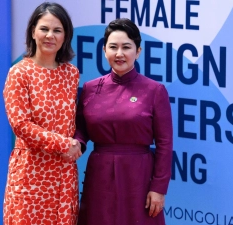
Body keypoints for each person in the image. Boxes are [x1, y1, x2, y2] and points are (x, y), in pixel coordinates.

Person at [74, 18, 173, 225]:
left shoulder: (155, 90)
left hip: (139, 176)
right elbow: (81, 129)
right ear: (104, 51)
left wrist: (159, 188)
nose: (119, 54)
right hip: (99, 174)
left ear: (138, 51)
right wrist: (77, 143)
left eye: (126, 47)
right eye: (113, 47)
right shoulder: (91, 88)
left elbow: (165, 144)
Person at [2, 2, 82, 225]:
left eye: (57, 30)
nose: (50, 36)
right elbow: (20, 125)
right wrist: (63, 144)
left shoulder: (71, 74)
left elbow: (74, 121)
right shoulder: (19, 73)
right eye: (44, 29)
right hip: (30, 173)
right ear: (32, 32)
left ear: (66, 36)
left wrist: (76, 144)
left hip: (64, 174)